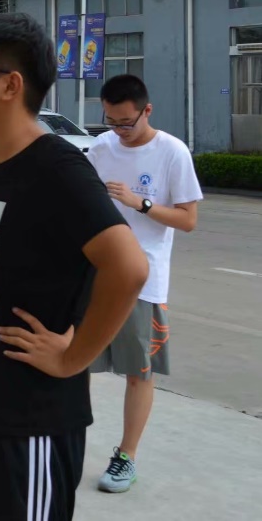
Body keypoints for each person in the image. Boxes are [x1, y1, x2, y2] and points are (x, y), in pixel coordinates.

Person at [0, 13, 149, 520]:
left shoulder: (57, 170)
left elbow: (128, 267)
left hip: (28, 414)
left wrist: (74, 358)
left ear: (11, 85)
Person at [88, 74, 202, 494]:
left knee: (138, 371)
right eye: (111, 121)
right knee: (75, 363)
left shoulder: (172, 152)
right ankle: (66, 439)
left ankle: (126, 457)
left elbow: (188, 220)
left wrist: (141, 203)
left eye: (126, 122)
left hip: (143, 279)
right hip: (93, 273)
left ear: (146, 111)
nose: (119, 130)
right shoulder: (100, 149)